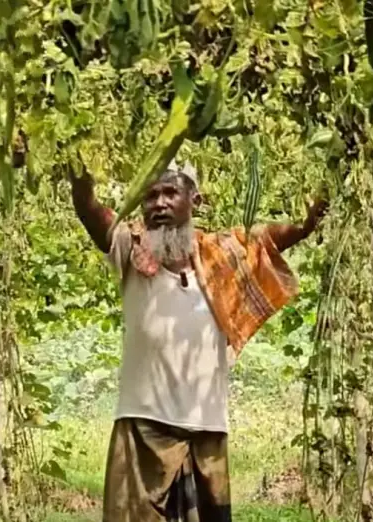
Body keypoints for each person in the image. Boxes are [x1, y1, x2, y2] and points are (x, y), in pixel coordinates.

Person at [69, 158, 329, 522]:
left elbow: (267, 238)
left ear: (195, 200)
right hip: (144, 427)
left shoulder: (221, 255)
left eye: (170, 193)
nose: (159, 203)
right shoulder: (131, 248)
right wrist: (77, 167)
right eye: (151, 195)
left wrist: (306, 225)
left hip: (206, 429)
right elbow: (90, 210)